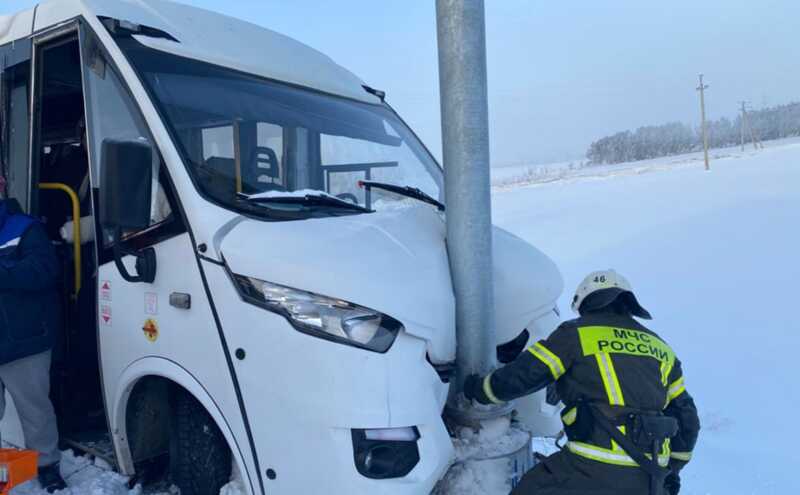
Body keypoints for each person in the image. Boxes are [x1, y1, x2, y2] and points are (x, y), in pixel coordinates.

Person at [465, 270, 700, 495]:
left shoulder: (576, 334)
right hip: (650, 477)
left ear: (586, 303)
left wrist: (480, 390)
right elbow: (687, 418)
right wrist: (672, 469)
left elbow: (527, 373)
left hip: (592, 466)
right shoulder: (660, 348)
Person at [0, 188, 67, 492]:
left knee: (34, 408)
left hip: (23, 339)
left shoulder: (25, 228)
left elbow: (43, 271)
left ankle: (47, 465)